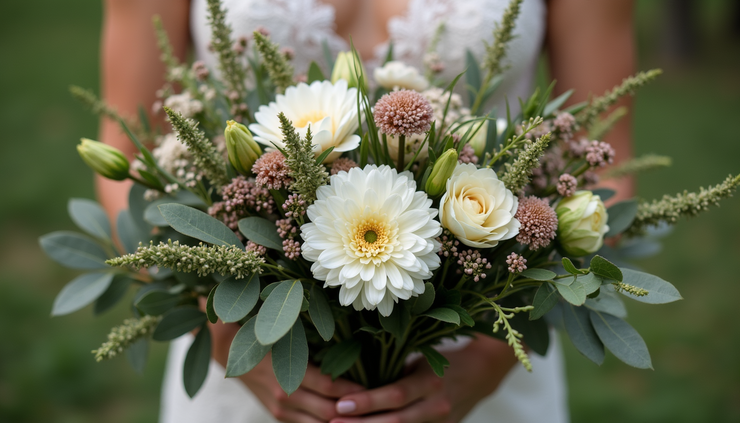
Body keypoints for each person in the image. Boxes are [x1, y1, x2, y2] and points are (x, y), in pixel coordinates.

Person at [98, 1, 635, 422]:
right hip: (255, 353)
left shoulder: (489, 353)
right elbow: (124, 149)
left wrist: (493, 359)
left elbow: (608, 166)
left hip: (480, 340)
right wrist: (221, 334)